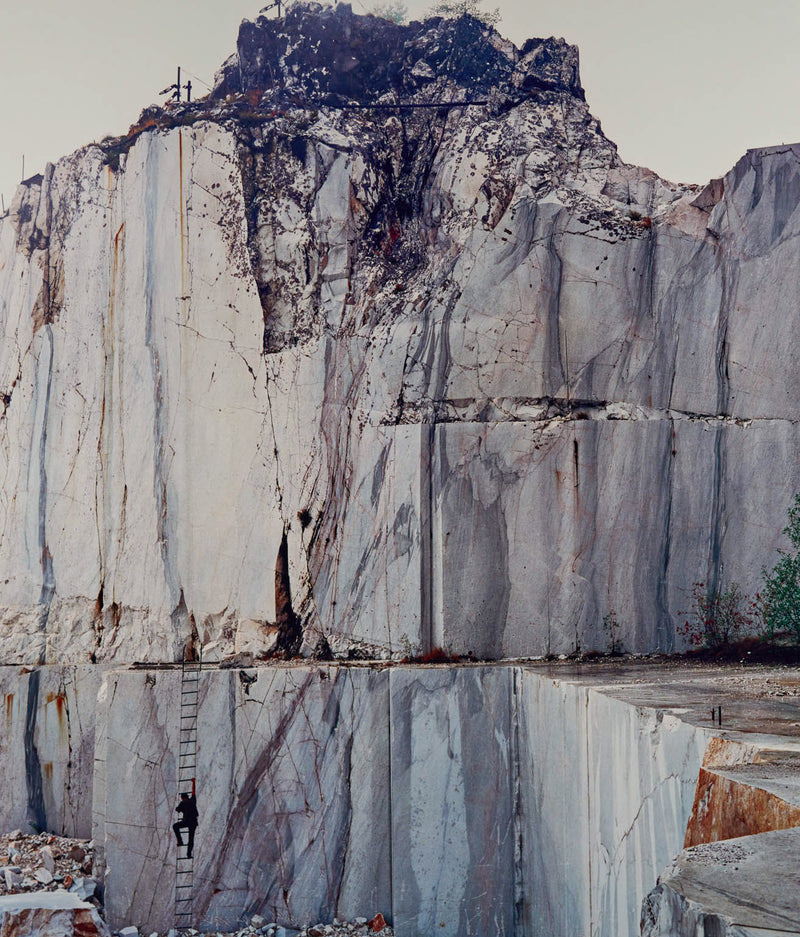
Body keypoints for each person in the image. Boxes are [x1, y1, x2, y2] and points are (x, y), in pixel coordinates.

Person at [173, 778, 198, 859]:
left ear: (182, 798)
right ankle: (189, 854)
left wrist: (178, 808)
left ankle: (180, 841)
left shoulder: (183, 802)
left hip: (186, 821)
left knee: (175, 826)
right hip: (194, 822)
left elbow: (177, 810)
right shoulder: (193, 800)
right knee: (191, 838)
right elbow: (193, 791)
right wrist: (193, 782)